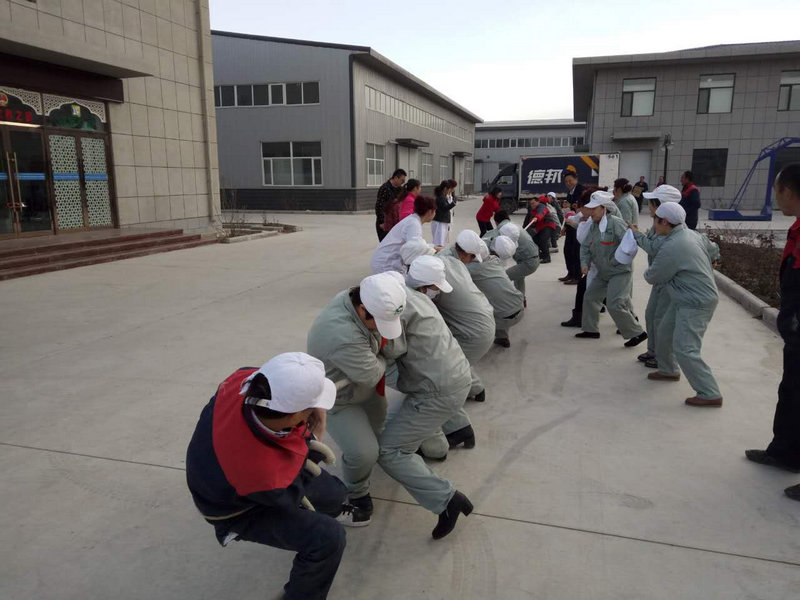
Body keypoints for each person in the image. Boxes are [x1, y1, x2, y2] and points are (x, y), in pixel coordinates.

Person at [185, 353, 346, 600]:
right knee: (328, 538)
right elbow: (287, 492)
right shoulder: (264, 475)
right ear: (294, 416)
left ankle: (331, 507)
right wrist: (316, 436)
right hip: (232, 508)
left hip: (223, 472)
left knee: (335, 494)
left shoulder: (240, 380)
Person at [379, 256, 475, 539]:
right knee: (403, 409)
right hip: (456, 378)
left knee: (390, 451)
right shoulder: (420, 300)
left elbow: (389, 351)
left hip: (438, 390)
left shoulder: (402, 308)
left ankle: (447, 500)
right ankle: (460, 429)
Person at [307, 273, 407, 526]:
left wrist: (378, 352)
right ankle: (356, 491)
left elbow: (393, 349)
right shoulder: (340, 334)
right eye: (379, 322)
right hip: (338, 398)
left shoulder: (359, 297)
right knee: (364, 453)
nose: (382, 329)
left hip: (364, 388)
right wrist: (381, 355)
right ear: (362, 309)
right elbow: (373, 373)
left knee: (378, 430)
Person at [746, 164, 800, 501]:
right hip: (795, 333)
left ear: (788, 191)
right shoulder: (797, 227)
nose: (775, 196)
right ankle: (784, 453)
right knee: (791, 393)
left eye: (776, 190)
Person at [643, 202, 722, 407]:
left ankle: (709, 392)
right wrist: (712, 259)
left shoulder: (672, 246)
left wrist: (648, 270)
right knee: (664, 332)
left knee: (685, 348)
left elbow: (652, 276)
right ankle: (668, 370)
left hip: (696, 302)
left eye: (655, 219)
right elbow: (714, 249)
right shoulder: (691, 235)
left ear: (665, 221)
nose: (653, 224)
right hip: (683, 298)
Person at [576, 190, 647, 347]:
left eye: (594, 208)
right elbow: (585, 247)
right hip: (603, 272)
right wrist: (584, 264)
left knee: (615, 303)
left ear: (604, 208)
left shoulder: (616, 223)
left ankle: (637, 333)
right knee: (590, 297)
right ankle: (590, 330)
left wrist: (616, 261)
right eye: (590, 208)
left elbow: (629, 245)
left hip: (619, 272)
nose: (591, 212)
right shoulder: (594, 226)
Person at [434, 229, 495, 403]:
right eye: (473, 258)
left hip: (475, 332)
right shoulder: (454, 264)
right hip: (483, 322)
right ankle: (474, 387)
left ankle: (474, 388)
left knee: (447, 365)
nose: (472, 262)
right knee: (454, 360)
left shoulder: (442, 263)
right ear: (465, 254)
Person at [467, 235, 525, 348]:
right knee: (498, 297)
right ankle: (502, 337)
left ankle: (476, 342)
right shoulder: (496, 261)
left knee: (469, 303)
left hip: (502, 317)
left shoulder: (472, 269)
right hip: (519, 307)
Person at [370, 195, 436, 274]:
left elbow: (417, 244)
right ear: (430, 211)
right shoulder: (414, 224)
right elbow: (415, 249)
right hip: (386, 263)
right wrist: (434, 250)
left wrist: (432, 247)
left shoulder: (413, 220)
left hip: (385, 260)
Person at [483, 210, 540, 302]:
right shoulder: (514, 226)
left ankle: (506, 303)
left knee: (502, 278)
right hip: (534, 258)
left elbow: (487, 239)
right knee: (518, 277)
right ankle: (521, 300)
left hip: (528, 263)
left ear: (496, 222)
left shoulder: (503, 228)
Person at [562, 170, 586, 284]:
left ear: (576, 179)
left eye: (570, 180)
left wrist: (571, 205)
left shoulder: (582, 190)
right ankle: (570, 273)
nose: (568, 183)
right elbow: (569, 212)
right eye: (566, 181)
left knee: (576, 252)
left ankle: (577, 276)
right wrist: (565, 226)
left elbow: (582, 207)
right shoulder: (570, 192)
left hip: (579, 225)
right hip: (571, 225)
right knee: (567, 250)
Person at [523, 195, 558, 263]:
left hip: (548, 226)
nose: (532, 205)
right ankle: (541, 255)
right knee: (534, 240)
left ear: (538, 202)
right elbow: (527, 220)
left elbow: (541, 213)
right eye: (531, 204)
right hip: (540, 228)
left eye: (533, 203)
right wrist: (523, 229)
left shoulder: (542, 206)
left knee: (543, 240)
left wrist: (537, 218)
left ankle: (547, 258)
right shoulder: (532, 211)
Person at [375, 169, 407, 241]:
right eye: (402, 180)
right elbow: (379, 206)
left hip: (395, 222)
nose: (403, 183)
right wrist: (382, 222)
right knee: (386, 245)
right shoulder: (385, 188)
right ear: (396, 178)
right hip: (384, 223)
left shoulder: (399, 189)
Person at [432, 180, 456, 246]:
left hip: (442, 221)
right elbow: (445, 208)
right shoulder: (441, 197)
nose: (450, 191)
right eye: (449, 189)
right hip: (440, 221)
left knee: (442, 241)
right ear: (445, 188)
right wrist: (453, 203)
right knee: (439, 242)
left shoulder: (442, 196)